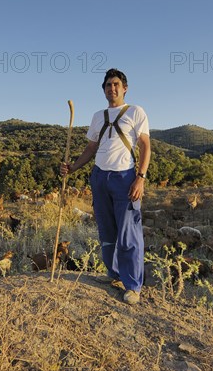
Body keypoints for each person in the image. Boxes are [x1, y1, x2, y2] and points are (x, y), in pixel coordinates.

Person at [60, 68, 151, 305]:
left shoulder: (135, 111)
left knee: (128, 232)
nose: (112, 88)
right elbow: (91, 148)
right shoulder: (97, 116)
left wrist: (140, 177)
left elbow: (145, 146)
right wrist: (72, 168)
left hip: (125, 178)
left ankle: (132, 285)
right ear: (104, 90)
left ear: (125, 88)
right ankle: (113, 274)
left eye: (116, 84)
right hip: (100, 177)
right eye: (108, 85)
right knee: (106, 229)